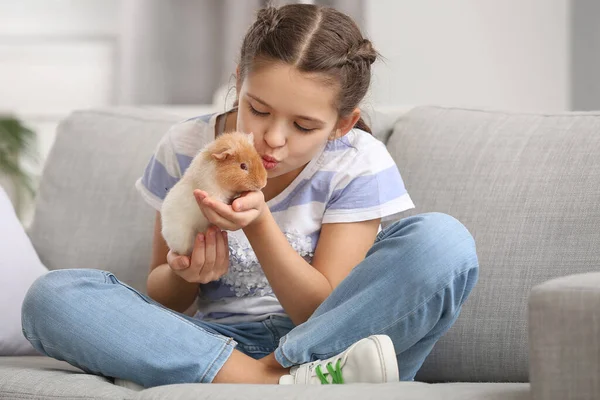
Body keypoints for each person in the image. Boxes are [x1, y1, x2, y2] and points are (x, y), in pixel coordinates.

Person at [21, 3, 479, 387]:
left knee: (444, 241)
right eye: (257, 109)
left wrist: (259, 226)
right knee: (53, 296)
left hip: (337, 341)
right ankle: (275, 383)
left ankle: (280, 375)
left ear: (341, 123)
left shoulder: (356, 160)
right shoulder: (188, 147)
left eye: (303, 126)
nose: (273, 140)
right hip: (212, 340)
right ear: (239, 81)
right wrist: (187, 274)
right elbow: (163, 298)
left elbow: (319, 312)